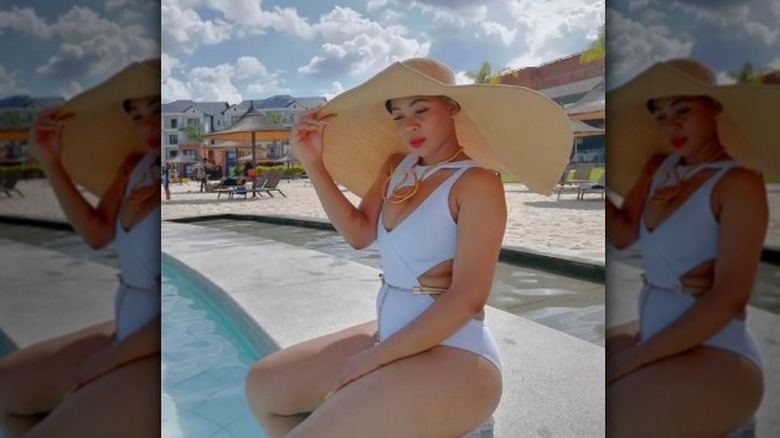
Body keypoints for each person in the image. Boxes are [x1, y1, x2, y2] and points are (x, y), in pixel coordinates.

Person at [244, 58, 572, 437]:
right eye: (398, 115)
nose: (409, 124)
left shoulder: (478, 183)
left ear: (451, 108)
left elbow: (469, 298)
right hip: (391, 331)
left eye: (421, 109)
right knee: (263, 387)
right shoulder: (398, 168)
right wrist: (314, 163)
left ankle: (467, 423)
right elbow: (358, 233)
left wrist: (374, 359)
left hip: (454, 351)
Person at [605, 58, 780, 437]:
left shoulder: (739, 184)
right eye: (662, 115)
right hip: (654, 334)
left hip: (716, 348)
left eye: (683, 110)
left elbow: (730, 298)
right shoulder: (659, 167)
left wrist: (634, 359)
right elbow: (622, 234)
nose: (672, 125)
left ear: (714, 107)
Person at [0, 60, 160, 437]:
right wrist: (50, 161)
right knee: (5, 390)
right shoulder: (134, 166)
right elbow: (95, 234)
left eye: (156, 111)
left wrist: (115, 357)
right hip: (129, 329)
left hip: (153, 346)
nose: (147, 124)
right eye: (136, 115)